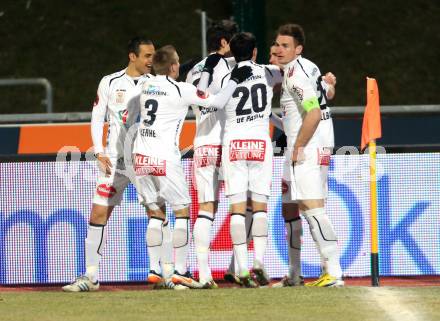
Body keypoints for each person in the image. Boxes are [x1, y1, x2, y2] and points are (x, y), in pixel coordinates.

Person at [133, 45, 252, 289]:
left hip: (140, 156)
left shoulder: (144, 84)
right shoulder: (182, 90)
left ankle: (155, 269)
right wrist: (234, 81)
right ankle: (180, 270)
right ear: (175, 66)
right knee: (182, 211)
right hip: (164, 156)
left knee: (155, 213)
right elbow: (217, 102)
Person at [62, 37, 155, 292]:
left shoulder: (156, 84)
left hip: (144, 159)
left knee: (156, 212)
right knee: (99, 212)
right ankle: (90, 277)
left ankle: (164, 272)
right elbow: (96, 117)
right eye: (147, 55)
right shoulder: (110, 82)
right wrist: (99, 152)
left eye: (153, 56)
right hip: (114, 160)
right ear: (132, 56)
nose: (151, 60)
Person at [199, 32, 283, 287]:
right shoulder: (269, 72)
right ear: (255, 52)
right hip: (260, 142)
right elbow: (285, 73)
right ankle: (259, 261)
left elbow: (210, 102)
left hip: (234, 144)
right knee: (259, 207)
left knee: (237, 208)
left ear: (233, 53)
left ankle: (243, 268)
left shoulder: (227, 77)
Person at [271, 23, 343, 287]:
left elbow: (312, 113)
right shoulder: (309, 66)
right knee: (299, 206)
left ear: (297, 49)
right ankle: (310, 272)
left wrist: (298, 147)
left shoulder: (294, 76)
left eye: (285, 46)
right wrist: (331, 85)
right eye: (277, 44)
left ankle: (334, 272)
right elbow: (326, 95)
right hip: (320, 143)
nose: (278, 49)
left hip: (307, 146)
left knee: (312, 208)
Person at [186, 20, 241, 289]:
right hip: (227, 143)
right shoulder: (230, 67)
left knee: (206, 209)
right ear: (223, 42)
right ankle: (238, 267)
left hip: (202, 144)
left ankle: (204, 273)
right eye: (235, 38)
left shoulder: (194, 70)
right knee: (243, 205)